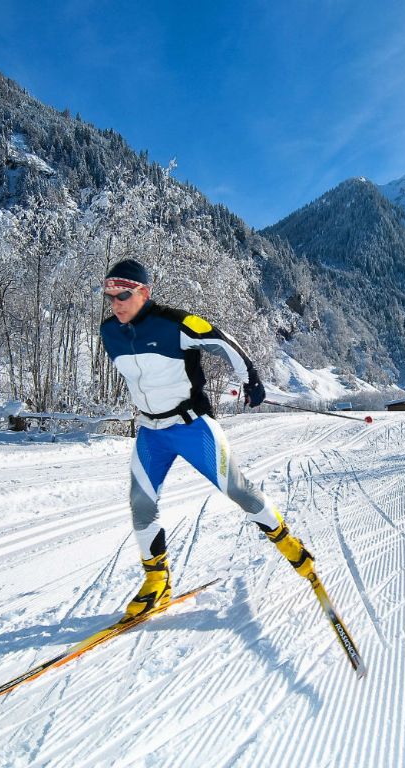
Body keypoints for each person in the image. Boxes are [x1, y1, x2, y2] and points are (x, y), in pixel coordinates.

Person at [99, 258, 314, 621]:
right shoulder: (109, 332)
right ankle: (157, 581)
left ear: (144, 292)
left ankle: (289, 544)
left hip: (192, 426)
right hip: (150, 433)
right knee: (140, 503)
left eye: (124, 294)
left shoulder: (174, 322)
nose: (116, 303)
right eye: (110, 296)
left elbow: (221, 340)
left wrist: (252, 379)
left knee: (238, 491)